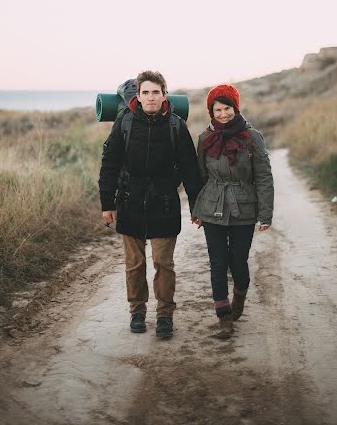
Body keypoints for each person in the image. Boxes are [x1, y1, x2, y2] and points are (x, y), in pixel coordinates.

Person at [99, 71, 201, 339]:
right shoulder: (124, 123)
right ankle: (137, 312)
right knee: (134, 264)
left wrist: (196, 206)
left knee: (163, 263)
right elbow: (109, 164)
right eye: (145, 92)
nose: (151, 97)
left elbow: (191, 169)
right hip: (130, 201)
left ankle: (165, 315)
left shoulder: (177, 126)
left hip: (164, 203)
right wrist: (106, 204)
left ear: (164, 95)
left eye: (156, 92)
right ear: (138, 96)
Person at [192, 83, 274, 337]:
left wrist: (265, 214)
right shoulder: (205, 138)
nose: (223, 114)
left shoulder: (252, 137)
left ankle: (239, 296)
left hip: (244, 208)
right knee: (217, 263)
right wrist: (197, 209)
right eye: (217, 109)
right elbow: (199, 178)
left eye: (227, 108)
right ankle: (224, 318)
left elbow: (263, 177)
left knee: (237, 261)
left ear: (235, 108)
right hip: (212, 205)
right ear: (211, 112)